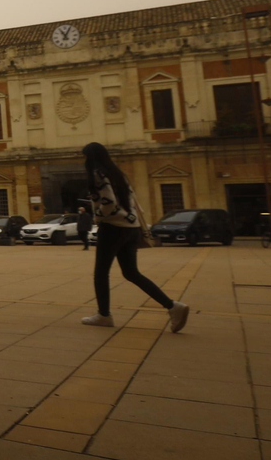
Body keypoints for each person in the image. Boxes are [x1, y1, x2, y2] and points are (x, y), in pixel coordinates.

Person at [79, 142, 189, 332]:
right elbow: (131, 201)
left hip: (112, 227)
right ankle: (173, 306)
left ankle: (104, 315)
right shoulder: (118, 174)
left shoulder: (98, 174)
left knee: (101, 273)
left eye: (85, 156)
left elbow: (109, 202)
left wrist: (99, 216)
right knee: (131, 273)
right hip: (131, 228)